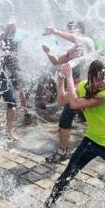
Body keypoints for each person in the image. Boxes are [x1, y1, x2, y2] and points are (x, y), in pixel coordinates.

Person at [37, 61, 105, 208]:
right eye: (99, 79)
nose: (103, 83)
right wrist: (60, 79)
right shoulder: (83, 86)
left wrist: (69, 75)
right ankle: (47, 207)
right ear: (90, 77)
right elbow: (62, 100)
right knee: (68, 172)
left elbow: (75, 103)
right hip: (91, 140)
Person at [41, 21, 95, 162]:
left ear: (80, 31)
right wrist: (48, 52)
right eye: (69, 29)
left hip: (87, 88)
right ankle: (63, 151)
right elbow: (57, 61)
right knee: (67, 117)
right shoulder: (72, 49)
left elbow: (75, 39)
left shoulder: (87, 42)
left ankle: (64, 150)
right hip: (74, 89)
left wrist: (55, 31)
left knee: (89, 117)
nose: (70, 32)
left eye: (72, 30)